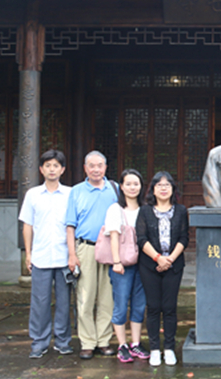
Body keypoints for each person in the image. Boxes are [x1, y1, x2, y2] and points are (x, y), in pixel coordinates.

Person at [19, 150, 73, 358]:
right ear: (41, 169)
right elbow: (27, 225)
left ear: (63, 169)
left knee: (63, 301)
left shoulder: (70, 194)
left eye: (56, 166)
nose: (52, 169)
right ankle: (39, 342)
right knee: (39, 301)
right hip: (41, 256)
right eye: (48, 166)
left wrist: (73, 254)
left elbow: (73, 225)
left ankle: (62, 340)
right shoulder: (32, 194)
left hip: (63, 256)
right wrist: (28, 253)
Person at [65, 151, 118, 360]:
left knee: (107, 297)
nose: (96, 169)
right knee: (85, 297)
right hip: (85, 248)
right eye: (91, 166)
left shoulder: (114, 190)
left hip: (109, 247)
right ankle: (87, 342)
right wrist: (71, 254)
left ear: (105, 167)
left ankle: (103, 341)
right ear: (85, 168)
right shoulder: (77, 191)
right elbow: (70, 225)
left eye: (100, 165)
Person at [136, 171, 189, 367]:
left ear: (173, 189)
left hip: (174, 266)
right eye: (159, 185)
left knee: (169, 308)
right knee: (153, 307)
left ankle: (169, 348)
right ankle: (155, 349)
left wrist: (170, 259)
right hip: (150, 265)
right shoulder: (145, 211)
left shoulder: (181, 210)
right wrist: (158, 258)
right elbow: (141, 239)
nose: (164, 188)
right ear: (153, 189)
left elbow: (184, 238)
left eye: (167, 185)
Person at [104, 169, 150, 364]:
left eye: (136, 184)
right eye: (128, 184)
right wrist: (116, 261)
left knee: (139, 305)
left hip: (142, 265)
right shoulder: (115, 209)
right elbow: (113, 236)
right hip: (122, 265)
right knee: (121, 304)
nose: (132, 187)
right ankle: (122, 344)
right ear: (121, 187)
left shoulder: (145, 209)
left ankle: (136, 342)